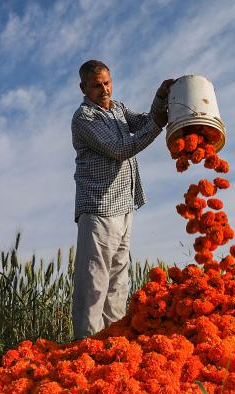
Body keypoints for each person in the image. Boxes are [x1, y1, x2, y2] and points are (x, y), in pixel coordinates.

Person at [70, 59, 174, 339]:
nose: (104, 90)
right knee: (94, 283)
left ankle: (112, 343)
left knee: (118, 282)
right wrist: (157, 126)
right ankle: (86, 347)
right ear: (83, 88)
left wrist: (161, 97)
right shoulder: (85, 118)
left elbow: (142, 121)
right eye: (96, 85)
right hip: (100, 208)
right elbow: (120, 148)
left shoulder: (116, 108)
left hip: (124, 204)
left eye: (107, 83)